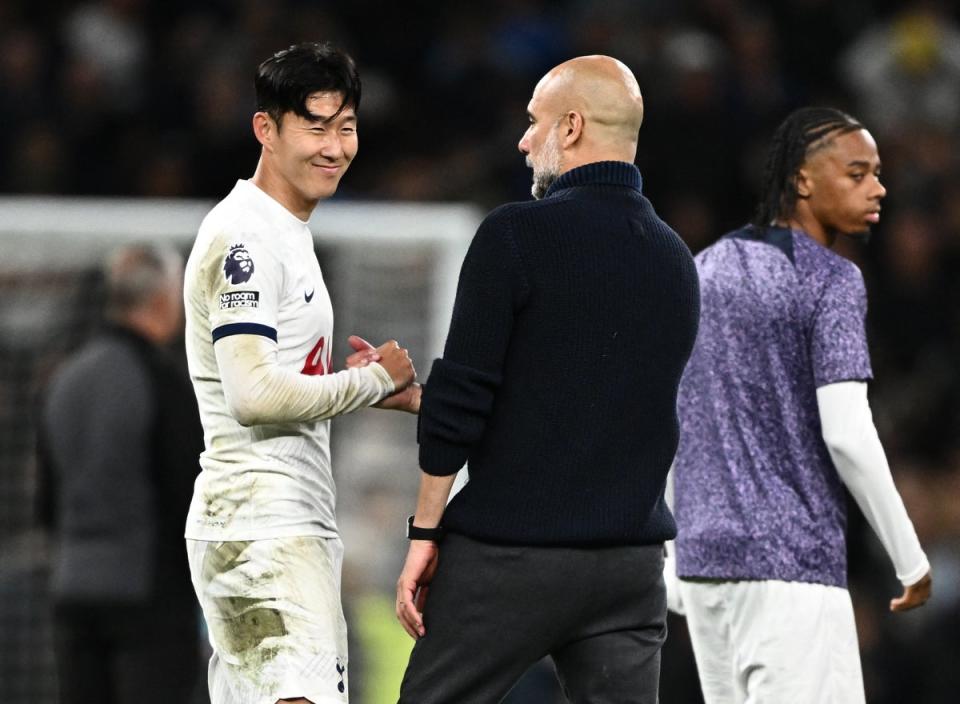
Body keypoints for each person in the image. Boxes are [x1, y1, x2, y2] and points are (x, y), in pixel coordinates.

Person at [394, 55, 700, 704]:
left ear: (571, 126)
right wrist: (421, 398)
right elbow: (584, 397)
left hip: (511, 554)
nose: (523, 140)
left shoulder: (514, 236)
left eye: (534, 123)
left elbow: (466, 400)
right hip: (628, 568)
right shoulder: (676, 260)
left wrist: (424, 534)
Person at [667, 106, 933, 704]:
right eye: (858, 173)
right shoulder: (830, 280)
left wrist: (670, 556)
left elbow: (673, 416)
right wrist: (909, 557)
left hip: (704, 569)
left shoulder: (702, 269)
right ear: (803, 181)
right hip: (792, 572)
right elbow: (847, 433)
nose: (878, 188)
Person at [182, 42, 417, 704]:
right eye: (315, 126)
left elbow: (280, 380)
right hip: (263, 526)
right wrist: (373, 382)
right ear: (266, 128)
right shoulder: (248, 240)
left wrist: (369, 391)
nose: (335, 147)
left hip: (270, 524)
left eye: (346, 127)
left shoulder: (285, 231)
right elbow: (253, 394)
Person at [38, 244, 203, 704]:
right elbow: (184, 494)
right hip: (147, 593)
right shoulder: (162, 380)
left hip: (73, 588)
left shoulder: (63, 378)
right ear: (162, 300)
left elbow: (47, 501)